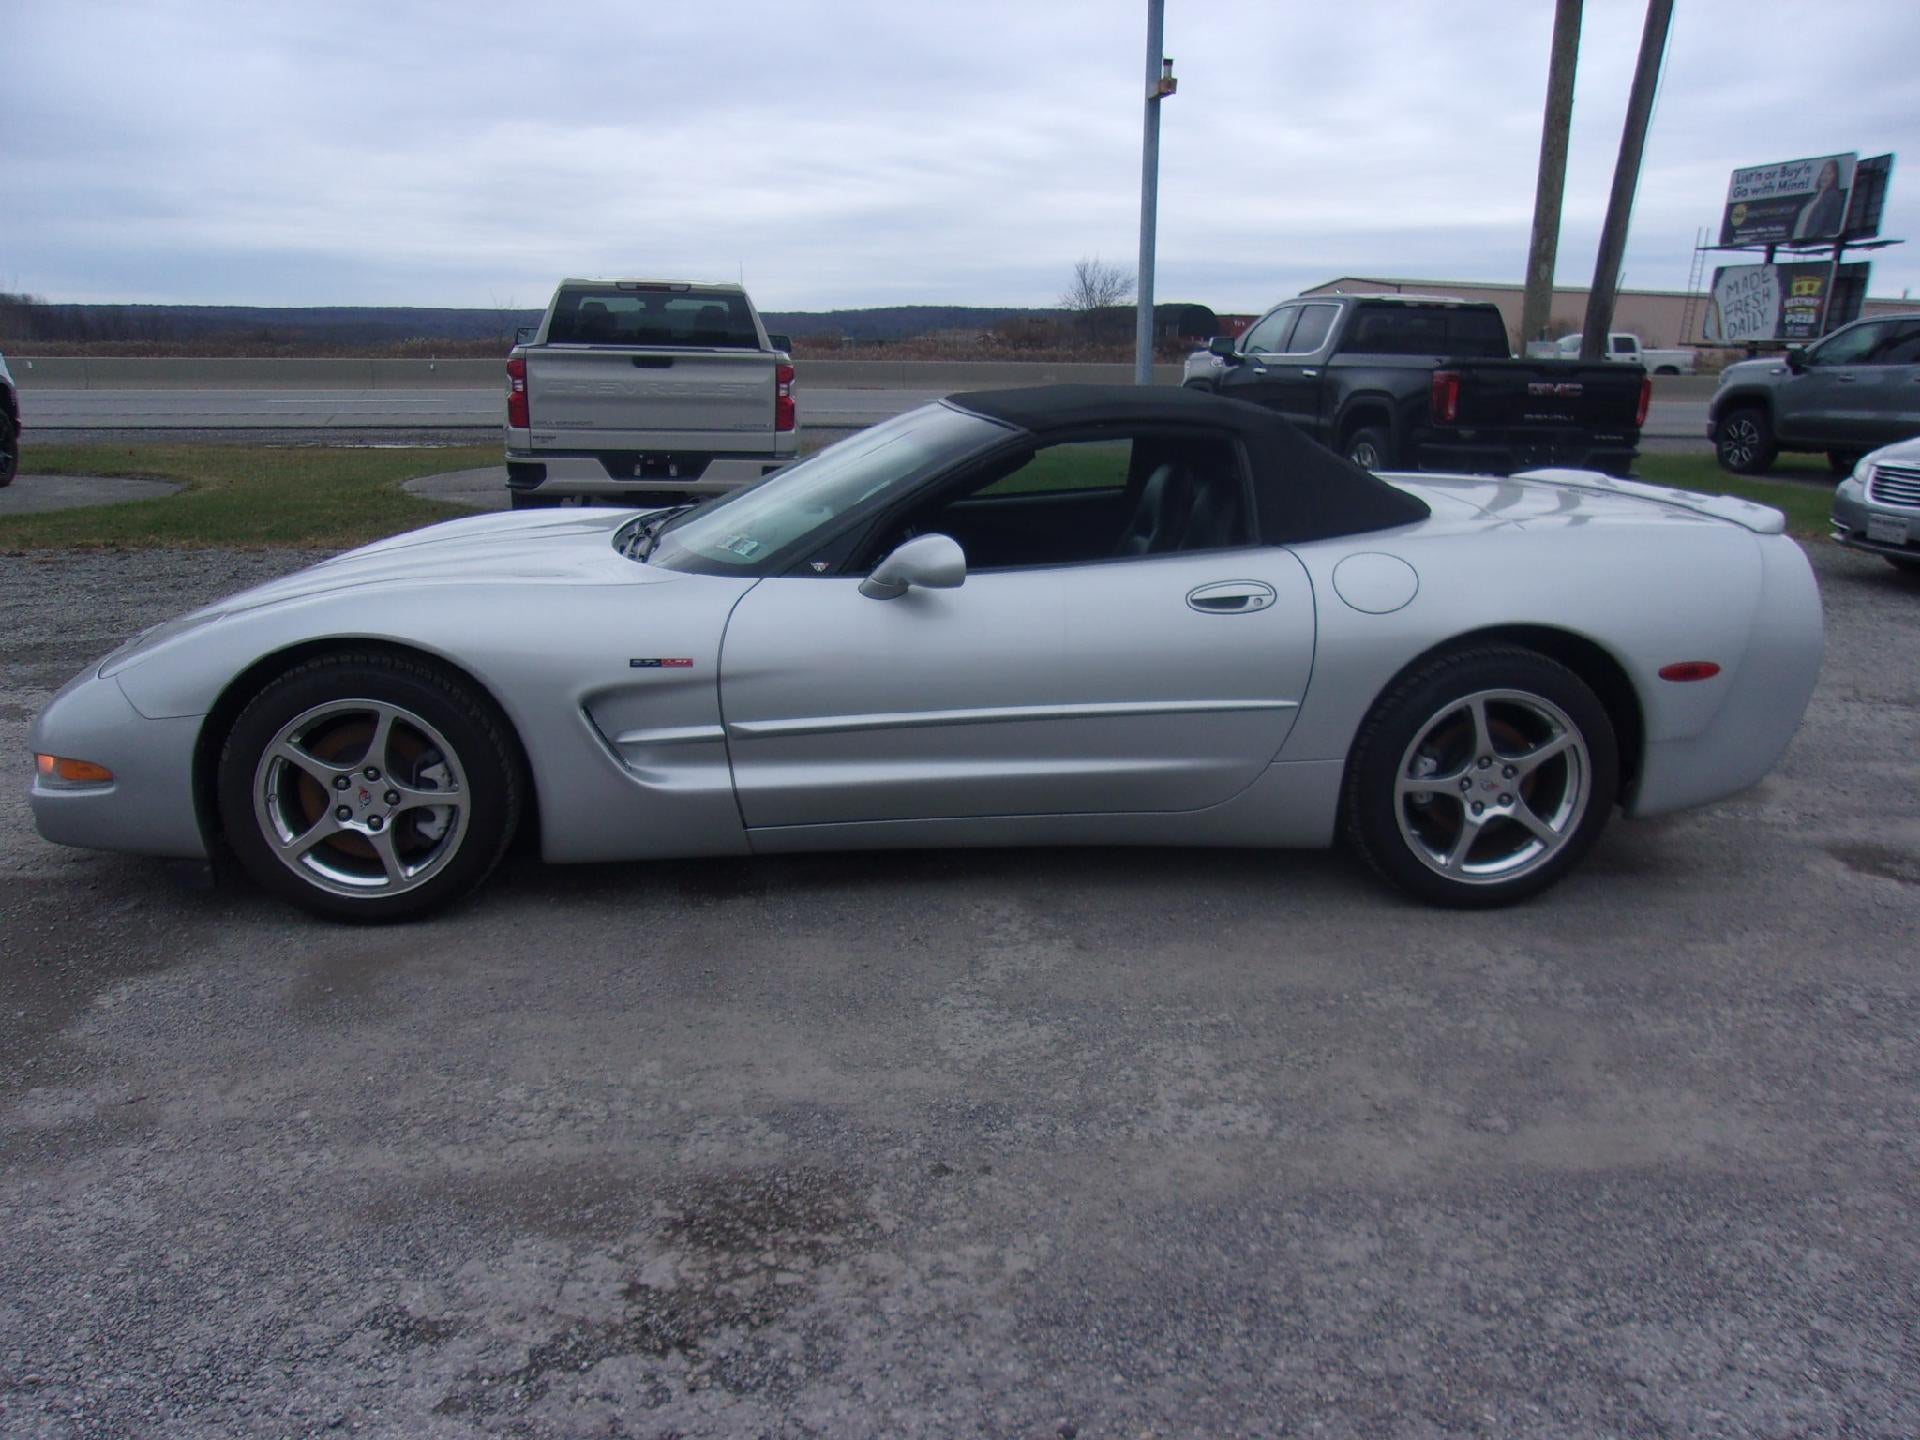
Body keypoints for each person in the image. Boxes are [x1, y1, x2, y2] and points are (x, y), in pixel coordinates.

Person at [1793, 160, 1847, 241]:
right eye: (1824, 172)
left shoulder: (1833, 197)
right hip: (1799, 240)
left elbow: (1832, 226)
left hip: (1813, 242)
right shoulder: (1813, 197)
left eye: (1829, 173)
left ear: (1834, 177)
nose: (1825, 176)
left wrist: (1815, 239)